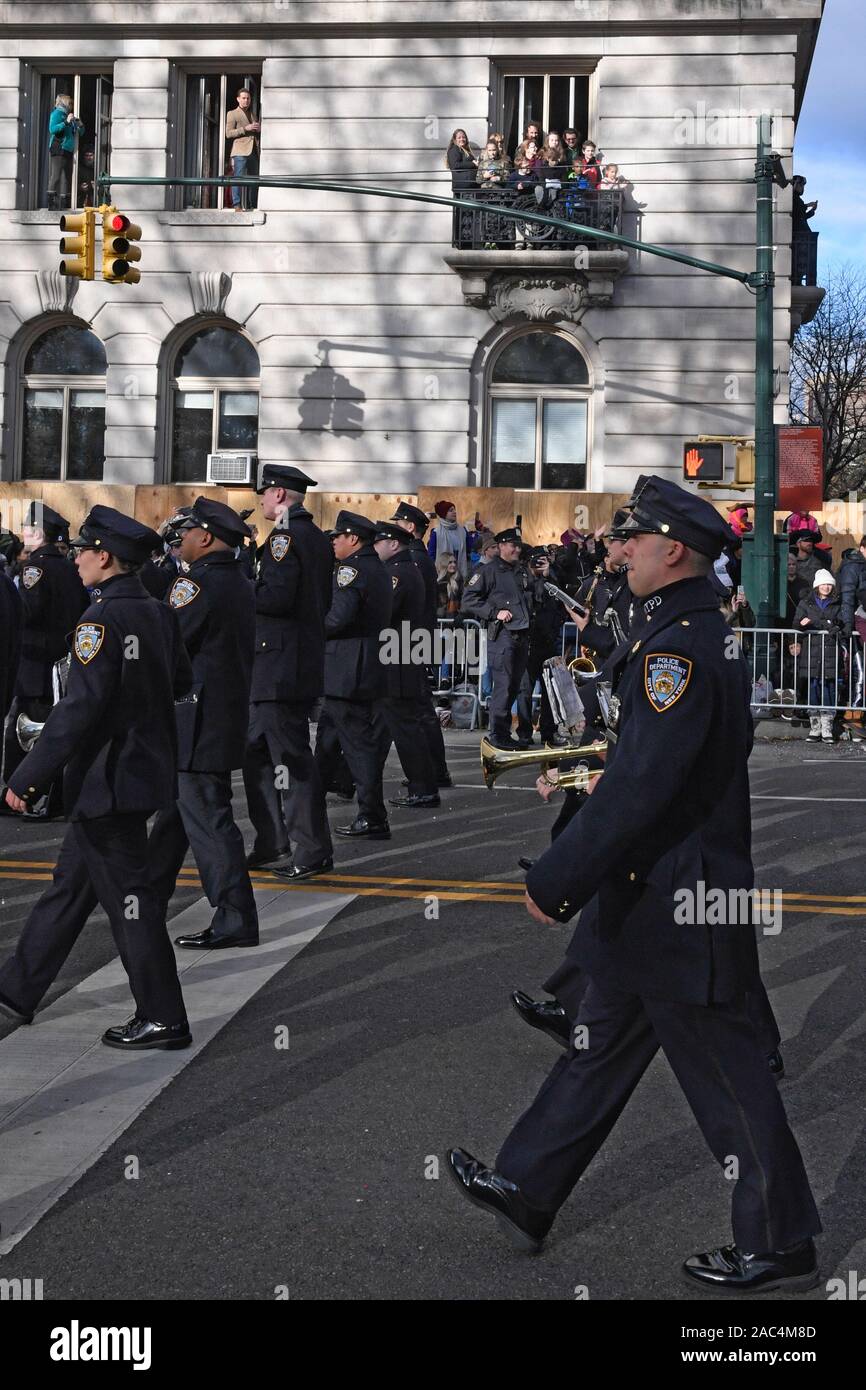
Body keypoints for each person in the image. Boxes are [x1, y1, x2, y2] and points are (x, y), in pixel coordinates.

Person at [448, 476, 822, 1293]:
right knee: (598, 1045)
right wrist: (588, 777)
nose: (619, 551)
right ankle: (529, 1186)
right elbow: (652, 764)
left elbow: (649, 784)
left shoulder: (678, 647)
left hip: (677, 893)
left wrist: (556, 878)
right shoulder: (682, 633)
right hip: (653, 892)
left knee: (728, 1075)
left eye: (633, 539)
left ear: (673, 549)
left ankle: (781, 1238)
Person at [0, 506, 193, 1051]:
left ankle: (163, 1015)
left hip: (107, 782)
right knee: (69, 890)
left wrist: (28, 776)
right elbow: (181, 679)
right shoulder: (157, 612)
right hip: (134, 775)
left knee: (132, 906)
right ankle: (17, 989)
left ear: (104, 556)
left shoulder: (100, 621)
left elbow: (79, 710)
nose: (77, 559)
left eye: (83, 551)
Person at [147, 497, 260, 950]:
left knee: (209, 823)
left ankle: (235, 915)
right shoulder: (237, 580)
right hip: (217, 717)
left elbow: (165, 642)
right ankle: (147, 898)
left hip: (195, 721)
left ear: (206, 537)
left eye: (189, 532)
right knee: (177, 817)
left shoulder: (194, 586)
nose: (183, 539)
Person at [243, 464, 334, 881]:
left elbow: (277, 597)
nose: (260, 500)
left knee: (292, 761)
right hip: (287, 663)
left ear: (278, 494)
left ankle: (310, 848)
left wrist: (240, 586)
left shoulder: (284, 537)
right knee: (258, 756)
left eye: (263, 493)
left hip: (278, 666)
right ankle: (273, 840)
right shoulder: (313, 537)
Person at [3, 504, 87, 803]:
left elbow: (29, 611)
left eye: (27, 529)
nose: (23, 534)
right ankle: (51, 796)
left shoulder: (35, 567)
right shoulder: (70, 565)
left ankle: (27, 796)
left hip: (36, 666)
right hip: (61, 662)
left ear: (38, 533)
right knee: (53, 731)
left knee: (24, 734)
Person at [322, 510, 394, 839]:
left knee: (357, 745)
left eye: (338, 536)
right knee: (337, 739)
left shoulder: (351, 569)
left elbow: (338, 618)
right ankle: (312, 797)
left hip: (347, 668)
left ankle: (371, 814)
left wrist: (309, 631)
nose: (334, 541)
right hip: (366, 665)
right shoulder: (376, 567)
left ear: (352, 538)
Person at [371, 521, 440, 809]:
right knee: (389, 726)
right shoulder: (405, 569)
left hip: (397, 657)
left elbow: (383, 612)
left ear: (393, 544)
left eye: (379, 542)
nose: (375, 548)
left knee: (405, 728)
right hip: (402, 654)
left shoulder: (397, 574)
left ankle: (423, 788)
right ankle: (353, 779)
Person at [390, 500, 452, 790]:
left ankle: (430, 771)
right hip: (416, 638)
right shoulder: (421, 557)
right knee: (418, 707)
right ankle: (433, 769)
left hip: (408, 639)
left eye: (398, 524)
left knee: (411, 709)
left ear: (410, 527)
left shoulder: (413, 558)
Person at [461, 525, 534, 750]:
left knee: (513, 687)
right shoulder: (488, 571)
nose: (517, 550)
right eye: (513, 546)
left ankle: (503, 733)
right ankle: (497, 736)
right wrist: (495, 613)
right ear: (501, 546)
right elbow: (469, 600)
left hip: (521, 635)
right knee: (503, 687)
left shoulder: (521, 570)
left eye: (518, 546)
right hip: (502, 636)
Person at [515, 548, 567, 748]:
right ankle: (524, 733)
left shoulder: (551, 579)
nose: (540, 564)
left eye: (544, 561)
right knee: (524, 691)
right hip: (528, 642)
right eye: (537, 561)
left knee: (550, 691)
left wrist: (548, 576)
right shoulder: (522, 579)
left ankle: (548, 731)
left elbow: (561, 602)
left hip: (548, 641)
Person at [791, 569, 844, 744]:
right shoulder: (806, 602)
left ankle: (827, 729)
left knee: (828, 686)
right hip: (811, 650)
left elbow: (841, 623)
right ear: (816, 585)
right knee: (813, 686)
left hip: (830, 650)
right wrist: (803, 624)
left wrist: (828, 624)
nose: (826, 587)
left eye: (829, 584)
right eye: (823, 584)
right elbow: (796, 624)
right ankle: (815, 728)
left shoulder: (837, 602)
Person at [46, 94, 84, 211]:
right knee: (56, 175)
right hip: (58, 147)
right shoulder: (57, 113)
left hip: (68, 149)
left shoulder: (68, 116)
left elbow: (80, 133)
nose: (71, 105)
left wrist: (79, 124)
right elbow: (52, 129)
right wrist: (66, 122)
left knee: (66, 177)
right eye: (70, 103)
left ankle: (63, 203)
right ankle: (51, 204)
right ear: (64, 102)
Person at [226, 88, 261, 211]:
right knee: (238, 178)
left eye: (248, 98)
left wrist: (258, 130)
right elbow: (228, 133)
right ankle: (237, 205)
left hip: (253, 151)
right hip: (240, 150)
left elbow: (254, 131)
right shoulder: (232, 113)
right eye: (244, 98)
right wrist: (245, 128)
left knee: (254, 179)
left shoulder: (252, 114)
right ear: (238, 99)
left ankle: (253, 205)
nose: (246, 100)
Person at [427, 501, 479, 580]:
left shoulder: (463, 531)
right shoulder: (436, 533)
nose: (454, 512)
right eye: (451, 510)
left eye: (454, 510)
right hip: (442, 574)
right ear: (444, 514)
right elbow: (431, 555)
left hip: (460, 573)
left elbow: (472, 546)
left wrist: (479, 532)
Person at [790, 529, 825, 604]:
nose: (810, 543)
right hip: (794, 601)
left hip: (814, 602)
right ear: (798, 543)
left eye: (811, 541)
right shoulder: (791, 562)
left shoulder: (819, 562)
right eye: (806, 540)